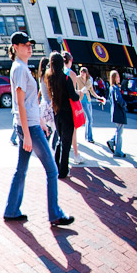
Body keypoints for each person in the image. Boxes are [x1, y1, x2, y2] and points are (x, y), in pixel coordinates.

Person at [4, 34, 74, 227]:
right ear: (15, 47)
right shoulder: (19, 69)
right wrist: (27, 133)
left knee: (21, 170)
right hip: (29, 127)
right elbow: (20, 104)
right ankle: (55, 214)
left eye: (30, 45)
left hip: (31, 124)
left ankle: (11, 209)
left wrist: (42, 121)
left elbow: (30, 102)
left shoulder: (22, 67)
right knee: (52, 170)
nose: (29, 47)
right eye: (25, 45)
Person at [49, 52, 82, 180]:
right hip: (67, 113)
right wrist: (79, 93)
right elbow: (73, 96)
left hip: (56, 112)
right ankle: (63, 171)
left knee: (60, 140)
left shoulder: (50, 78)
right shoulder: (66, 78)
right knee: (66, 143)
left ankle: (56, 165)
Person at [61, 52, 84, 164]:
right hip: (71, 105)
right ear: (70, 60)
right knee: (73, 131)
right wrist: (80, 93)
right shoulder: (71, 74)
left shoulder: (60, 72)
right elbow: (73, 92)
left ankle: (68, 154)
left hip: (61, 104)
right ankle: (76, 154)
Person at [77, 67, 106, 144]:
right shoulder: (77, 79)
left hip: (88, 101)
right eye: (81, 72)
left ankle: (87, 136)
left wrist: (98, 97)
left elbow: (92, 91)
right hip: (82, 101)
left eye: (83, 72)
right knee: (89, 118)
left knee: (89, 119)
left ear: (86, 73)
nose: (82, 73)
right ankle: (89, 138)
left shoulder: (89, 81)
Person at [106, 70, 128, 158]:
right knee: (120, 132)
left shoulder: (112, 88)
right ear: (115, 78)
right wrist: (124, 104)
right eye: (118, 76)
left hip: (115, 112)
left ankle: (112, 141)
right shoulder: (115, 88)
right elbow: (118, 99)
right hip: (119, 112)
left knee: (118, 130)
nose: (119, 78)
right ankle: (118, 151)